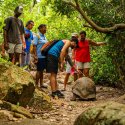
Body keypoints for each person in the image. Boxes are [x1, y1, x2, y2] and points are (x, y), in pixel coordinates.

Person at [33, 24, 48, 88]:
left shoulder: (44, 36)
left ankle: (41, 84)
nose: (45, 29)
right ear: (40, 29)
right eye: (44, 28)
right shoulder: (37, 36)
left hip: (44, 56)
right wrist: (35, 56)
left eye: (46, 28)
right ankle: (36, 85)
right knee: (39, 70)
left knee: (42, 70)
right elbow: (34, 46)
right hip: (39, 56)